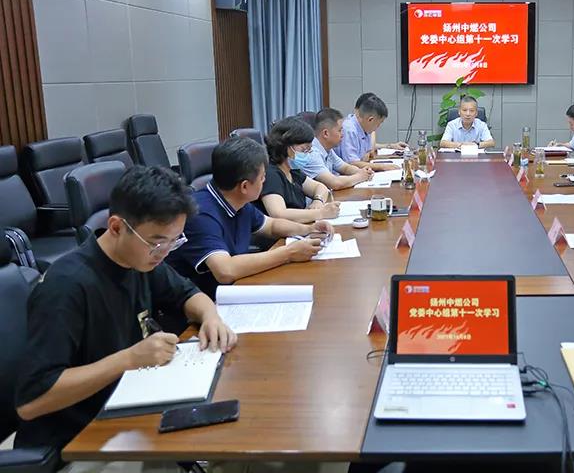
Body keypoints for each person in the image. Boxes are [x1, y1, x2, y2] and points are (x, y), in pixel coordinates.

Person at [14, 166, 238, 461]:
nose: (164, 252)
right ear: (117, 227)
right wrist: (129, 359)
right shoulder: (67, 286)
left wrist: (210, 317)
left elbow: (186, 294)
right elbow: (31, 402)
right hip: (79, 441)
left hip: (130, 407)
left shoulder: (139, 260)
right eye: (157, 242)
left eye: (174, 242)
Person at [167, 137, 333, 299]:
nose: (264, 181)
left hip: (235, 290)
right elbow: (225, 271)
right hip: (203, 304)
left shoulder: (237, 200)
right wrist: (289, 253)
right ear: (245, 186)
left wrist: (308, 229)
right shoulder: (200, 214)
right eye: (262, 177)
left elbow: (271, 226)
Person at [257, 117, 342, 223]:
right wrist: (320, 213)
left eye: (309, 150)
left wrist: (318, 201)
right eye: (304, 149)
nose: (307, 154)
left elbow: (320, 187)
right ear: (285, 147)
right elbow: (278, 214)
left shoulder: (293, 171)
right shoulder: (270, 174)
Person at [294, 108, 374, 190]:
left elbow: (344, 167)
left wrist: (361, 171)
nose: (343, 134)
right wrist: (360, 176)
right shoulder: (311, 152)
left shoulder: (327, 148)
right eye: (340, 130)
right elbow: (334, 183)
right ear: (326, 133)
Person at [335, 93, 401, 171]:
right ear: (370, 119)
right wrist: (383, 167)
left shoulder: (363, 127)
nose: (378, 127)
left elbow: (369, 153)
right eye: (379, 123)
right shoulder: (349, 130)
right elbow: (351, 163)